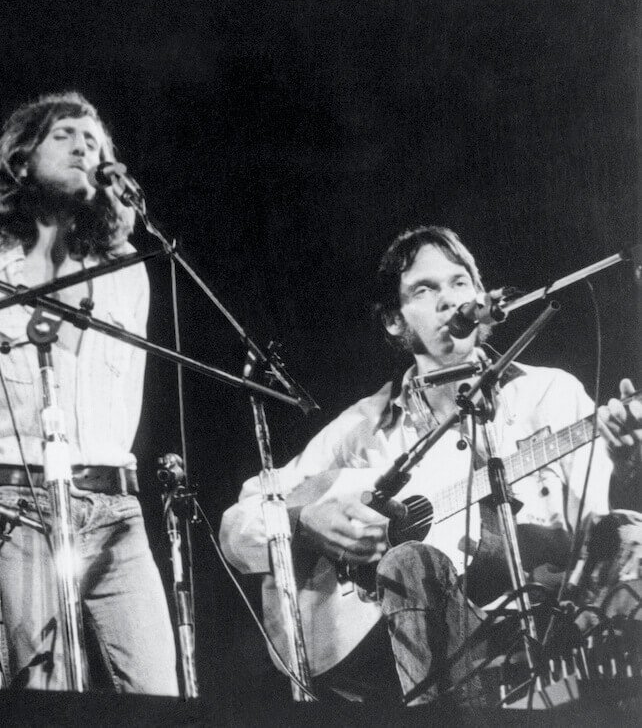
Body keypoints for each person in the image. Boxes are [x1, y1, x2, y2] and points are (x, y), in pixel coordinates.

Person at [219, 225, 642, 704]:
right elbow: (239, 521)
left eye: (460, 283)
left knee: (632, 532)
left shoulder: (552, 394)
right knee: (410, 561)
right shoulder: (364, 431)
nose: (449, 300)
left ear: (482, 300)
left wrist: (627, 460)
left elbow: (599, 525)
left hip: (565, 625)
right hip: (449, 652)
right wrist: (303, 522)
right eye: (425, 289)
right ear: (394, 321)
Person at [0, 91, 178, 694]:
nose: (83, 147)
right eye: (65, 135)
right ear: (21, 157)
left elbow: (124, 400)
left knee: (158, 691)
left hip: (117, 506)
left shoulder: (126, 270)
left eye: (94, 142)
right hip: (22, 504)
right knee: (43, 694)